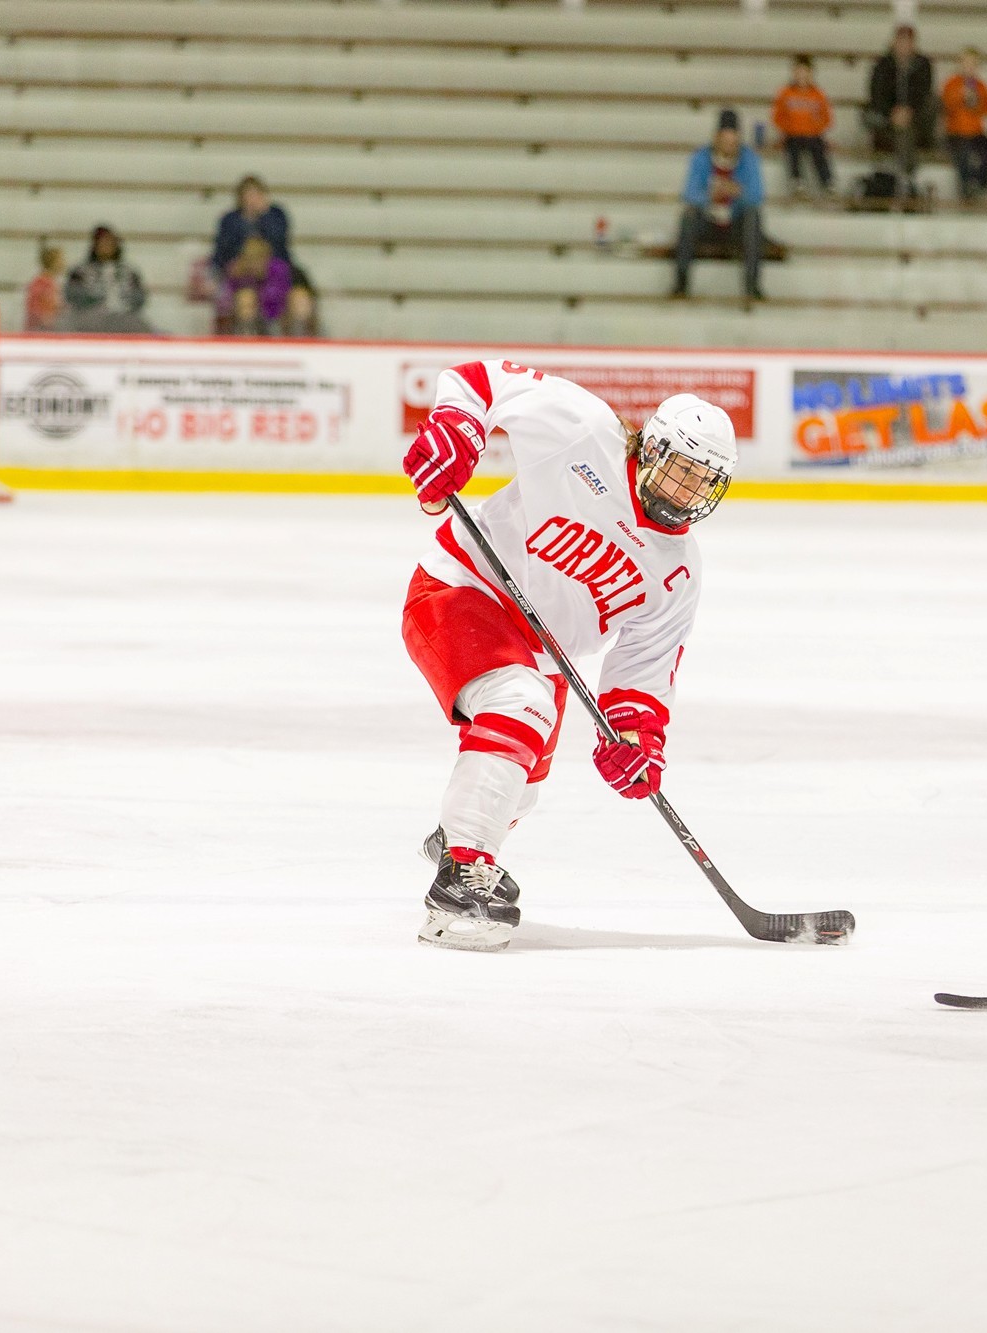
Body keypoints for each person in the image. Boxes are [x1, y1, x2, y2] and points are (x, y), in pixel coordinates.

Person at [398, 360, 739, 951]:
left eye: (700, 481)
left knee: (522, 781)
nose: (683, 490)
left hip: (543, 652)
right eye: (679, 469)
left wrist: (636, 737)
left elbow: (643, 668)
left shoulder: (678, 572)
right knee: (520, 704)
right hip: (462, 588)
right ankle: (458, 881)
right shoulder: (585, 431)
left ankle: (456, 836)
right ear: (648, 447)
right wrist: (458, 427)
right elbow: (481, 379)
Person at [672, 108, 766, 304]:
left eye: (733, 142)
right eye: (725, 141)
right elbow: (689, 193)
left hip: (735, 224)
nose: (729, 146)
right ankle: (681, 281)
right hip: (708, 221)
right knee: (688, 216)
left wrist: (738, 193)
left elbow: (757, 195)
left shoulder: (749, 159)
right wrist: (709, 196)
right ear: (716, 138)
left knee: (753, 216)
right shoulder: (701, 157)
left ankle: (752, 283)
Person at [212, 176, 316, 332]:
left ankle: (298, 336)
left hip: (277, 274)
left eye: (256, 194)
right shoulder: (230, 220)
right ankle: (246, 336)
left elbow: (280, 241)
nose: (252, 199)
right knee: (246, 299)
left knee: (299, 299)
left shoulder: (276, 215)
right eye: (248, 195)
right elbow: (222, 252)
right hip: (244, 275)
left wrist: (264, 215)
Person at [863, 25, 937, 202]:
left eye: (908, 42)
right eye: (901, 41)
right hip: (888, 118)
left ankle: (904, 174)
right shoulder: (882, 64)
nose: (904, 46)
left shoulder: (923, 64)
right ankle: (906, 175)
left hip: (915, 117)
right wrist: (891, 113)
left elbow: (923, 92)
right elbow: (876, 93)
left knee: (916, 120)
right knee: (889, 124)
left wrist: (908, 111)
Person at [63, 225, 152, 334]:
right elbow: (72, 294)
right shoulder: (80, 271)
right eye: (102, 243)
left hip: (123, 317)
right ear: (95, 246)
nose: (106, 247)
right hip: (89, 318)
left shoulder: (129, 272)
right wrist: (94, 298)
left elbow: (140, 297)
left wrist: (124, 300)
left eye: (110, 243)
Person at [771, 54, 834, 198]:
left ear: (811, 73)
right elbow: (777, 116)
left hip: (813, 135)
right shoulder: (785, 93)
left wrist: (816, 128)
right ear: (793, 73)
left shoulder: (818, 95)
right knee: (792, 151)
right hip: (792, 134)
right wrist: (788, 128)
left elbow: (826, 117)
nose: (802, 76)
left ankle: (827, 181)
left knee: (819, 152)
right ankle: (796, 181)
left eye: (805, 72)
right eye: (798, 72)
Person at [941, 46, 987, 204]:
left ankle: (982, 183)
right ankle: (965, 186)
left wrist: (977, 101)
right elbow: (946, 105)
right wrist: (961, 95)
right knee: (963, 155)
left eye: (973, 64)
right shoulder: (952, 83)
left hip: (975, 131)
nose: (969, 68)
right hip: (956, 132)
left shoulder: (981, 86)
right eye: (966, 64)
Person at [217, 235, 296, 336]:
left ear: (267, 258)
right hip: (242, 319)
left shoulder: (279, 270)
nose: (254, 264)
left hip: (275, 319)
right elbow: (225, 302)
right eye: (250, 259)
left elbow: (283, 299)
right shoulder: (236, 271)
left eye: (258, 259)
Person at [24, 243, 65, 332]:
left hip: (48, 328)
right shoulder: (41, 283)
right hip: (40, 330)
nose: (64, 263)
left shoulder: (51, 282)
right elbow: (41, 309)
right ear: (53, 262)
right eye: (60, 259)